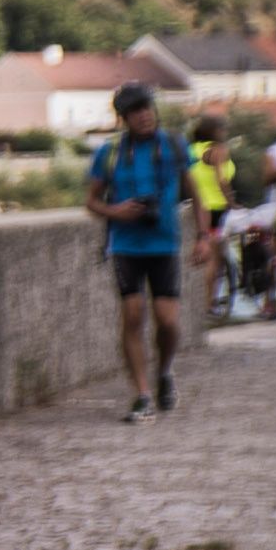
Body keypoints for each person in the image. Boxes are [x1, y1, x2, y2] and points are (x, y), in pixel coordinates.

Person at [85, 83, 196, 417]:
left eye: (148, 109)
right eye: (136, 112)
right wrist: (115, 211)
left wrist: (206, 236)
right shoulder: (111, 152)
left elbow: (196, 194)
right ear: (124, 119)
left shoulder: (174, 146)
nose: (144, 116)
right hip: (126, 245)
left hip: (165, 243)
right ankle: (143, 394)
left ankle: (165, 372)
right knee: (132, 316)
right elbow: (91, 201)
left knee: (168, 322)